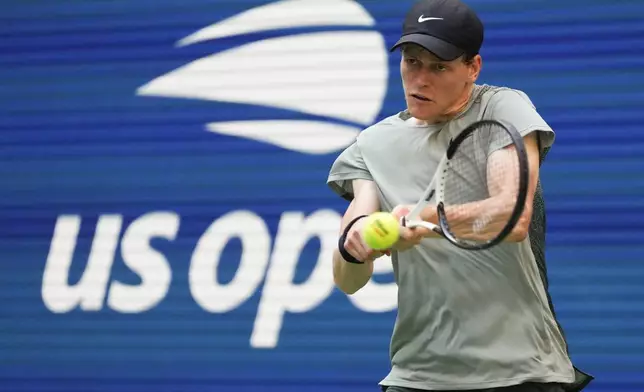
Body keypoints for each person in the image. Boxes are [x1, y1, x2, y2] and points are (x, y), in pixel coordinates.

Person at [326, 0, 594, 391]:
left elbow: (512, 214)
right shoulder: (372, 144)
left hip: (520, 372)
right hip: (415, 376)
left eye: (439, 66)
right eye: (412, 62)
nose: (420, 80)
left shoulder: (503, 108)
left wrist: (423, 220)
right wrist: (354, 246)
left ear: (472, 68)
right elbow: (348, 280)